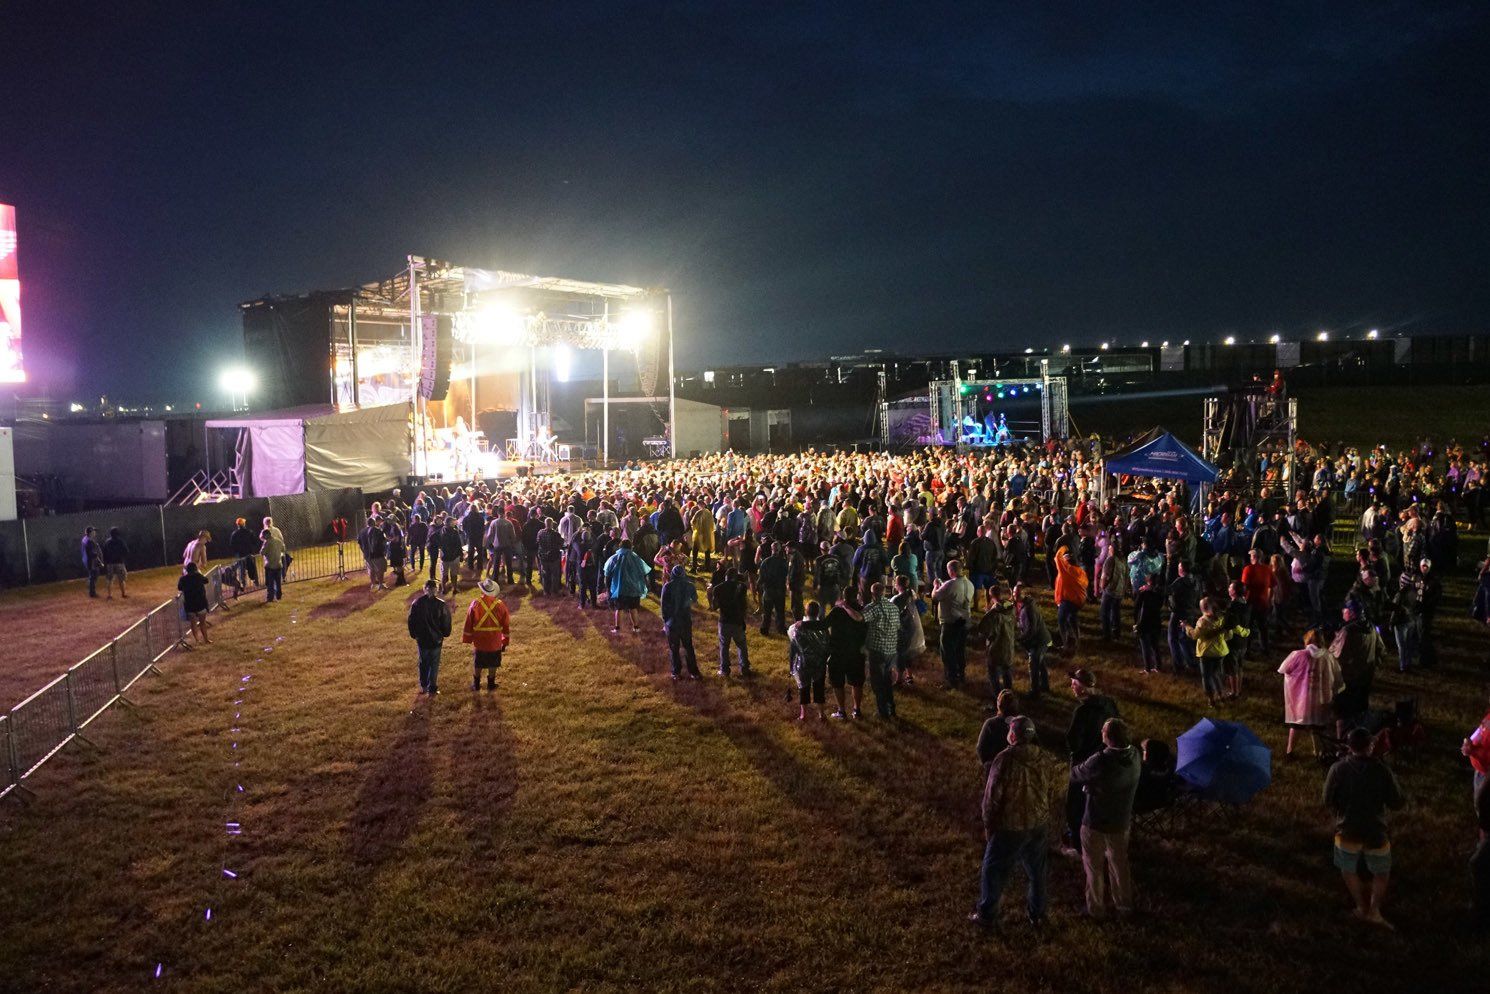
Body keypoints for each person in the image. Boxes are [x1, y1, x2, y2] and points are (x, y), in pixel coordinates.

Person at [970, 716, 1061, 931]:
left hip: (1010, 826)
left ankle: (987, 915)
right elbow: (1052, 789)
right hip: (1038, 823)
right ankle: (1038, 914)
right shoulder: (1044, 757)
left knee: (993, 870)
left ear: (1012, 735)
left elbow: (992, 798)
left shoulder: (1004, 759)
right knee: (1037, 872)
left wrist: (989, 825)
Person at [1323, 727, 1405, 928]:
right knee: (1381, 871)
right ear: (1370, 746)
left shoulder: (1337, 769)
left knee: (1347, 868)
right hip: (1375, 831)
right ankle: (1374, 910)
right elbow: (1397, 802)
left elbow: (1327, 799)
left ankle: (1361, 906)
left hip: (1346, 829)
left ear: (1349, 746)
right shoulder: (1382, 771)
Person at [1071, 717, 1141, 918]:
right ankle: (1124, 905)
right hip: (1121, 821)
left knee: (1094, 867)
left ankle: (1096, 908)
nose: (1101, 732)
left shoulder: (1101, 760)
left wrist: (1089, 785)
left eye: (1103, 730)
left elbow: (1075, 774)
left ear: (1109, 737)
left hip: (1096, 821)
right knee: (1119, 863)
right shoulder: (1135, 755)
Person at [1063, 668, 1119, 855]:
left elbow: (1073, 741)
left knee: (1075, 804)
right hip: (1106, 760)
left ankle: (1077, 844)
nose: (1071, 686)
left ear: (1083, 688)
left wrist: (1076, 750)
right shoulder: (1109, 703)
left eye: (1074, 684)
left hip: (1084, 763)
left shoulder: (1083, 711)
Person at [1278, 629, 1342, 757]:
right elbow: (1337, 677)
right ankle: (1318, 753)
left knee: (1296, 725)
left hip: (1301, 699)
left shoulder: (1297, 655)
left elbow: (1284, 669)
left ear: (1307, 640)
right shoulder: (1328, 657)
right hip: (1320, 698)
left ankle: (1290, 751)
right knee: (1317, 726)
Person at [931, 559, 974, 690]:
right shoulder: (969, 583)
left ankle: (951, 678)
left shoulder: (950, 584)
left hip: (951, 622)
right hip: (965, 621)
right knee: (960, 649)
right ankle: (961, 674)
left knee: (947, 651)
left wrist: (936, 586)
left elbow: (935, 597)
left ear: (951, 570)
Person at [462, 577, 510, 691]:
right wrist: (505, 641)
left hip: (480, 641)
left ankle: (476, 684)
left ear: (482, 590)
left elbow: (469, 621)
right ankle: (491, 684)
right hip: (495, 641)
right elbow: (506, 625)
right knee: (493, 663)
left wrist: (468, 638)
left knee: (478, 663)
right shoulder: (500, 605)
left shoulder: (475, 603)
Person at [861, 581, 900, 719]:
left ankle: (882, 711)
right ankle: (891, 707)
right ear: (884, 592)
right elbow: (897, 626)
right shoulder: (894, 607)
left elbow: (861, 618)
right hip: (891, 649)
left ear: (872, 594)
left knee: (877, 682)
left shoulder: (873, 607)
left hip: (877, 650)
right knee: (887, 681)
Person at [826, 591, 867, 719]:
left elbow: (823, 624)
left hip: (838, 652)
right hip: (856, 652)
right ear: (857, 596)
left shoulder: (837, 611)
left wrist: (803, 624)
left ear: (843, 596)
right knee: (857, 683)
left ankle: (841, 711)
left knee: (837, 683)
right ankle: (857, 710)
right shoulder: (862, 610)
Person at [407, 579, 452, 695]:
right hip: (436, 640)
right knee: (434, 664)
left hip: (422, 639)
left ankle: (423, 686)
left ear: (424, 589)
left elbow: (411, 620)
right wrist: (445, 633)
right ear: (436, 590)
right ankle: (432, 687)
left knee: (424, 663)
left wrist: (414, 634)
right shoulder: (441, 605)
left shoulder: (417, 603)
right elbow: (446, 622)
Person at [788, 601, 832, 721]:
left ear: (806, 611)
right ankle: (821, 714)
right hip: (819, 663)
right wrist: (824, 660)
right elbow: (828, 646)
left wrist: (791, 665)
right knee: (819, 687)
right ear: (818, 612)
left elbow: (793, 649)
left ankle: (803, 715)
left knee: (803, 687)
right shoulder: (823, 628)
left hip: (803, 663)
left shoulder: (797, 628)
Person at [1184, 597, 1230, 708]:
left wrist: (1186, 626)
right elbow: (1228, 635)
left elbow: (1195, 635)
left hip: (1207, 653)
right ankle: (1221, 695)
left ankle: (1211, 699)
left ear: (1202, 608)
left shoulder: (1203, 621)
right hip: (1220, 651)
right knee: (1216, 674)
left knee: (1207, 676)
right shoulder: (1221, 618)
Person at [660, 564, 701, 680]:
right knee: (688, 646)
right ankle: (694, 672)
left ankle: (676, 672)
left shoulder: (667, 586)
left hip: (672, 622)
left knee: (674, 648)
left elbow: (663, 606)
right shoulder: (690, 585)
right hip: (685, 620)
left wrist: (665, 620)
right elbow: (695, 600)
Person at [603, 538, 652, 635]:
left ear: (620, 546)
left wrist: (608, 588)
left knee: (619, 608)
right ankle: (636, 627)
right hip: (633, 588)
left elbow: (607, 574)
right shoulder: (636, 558)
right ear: (631, 547)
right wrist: (645, 584)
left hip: (619, 589)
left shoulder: (614, 558)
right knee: (633, 608)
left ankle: (617, 629)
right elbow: (644, 572)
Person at [710, 567, 752, 677]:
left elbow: (714, 607)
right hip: (737, 620)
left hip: (724, 621)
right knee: (741, 645)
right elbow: (744, 605)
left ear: (725, 576)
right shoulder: (742, 587)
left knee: (724, 646)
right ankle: (745, 668)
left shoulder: (718, 588)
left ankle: (724, 670)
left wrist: (710, 595)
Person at [1013, 583, 1053, 696]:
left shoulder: (1029, 609)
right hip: (1037, 640)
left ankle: (1035, 691)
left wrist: (1020, 639)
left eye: (1017, 593)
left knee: (1034, 665)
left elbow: (1032, 629)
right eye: (1014, 593)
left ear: (1024, 594)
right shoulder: (1021, 604)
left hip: (1039, 641)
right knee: (1040, 663)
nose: (1015, 595)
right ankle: (1045, 686)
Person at [977, 583, 1017, 695]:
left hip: (996, 647)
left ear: (991, 596)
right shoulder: (1010, 607)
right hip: (1008, 644)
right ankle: (1009, 694)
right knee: (1007, 670)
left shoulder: (993, 614)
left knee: (993, 672)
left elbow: (984, 630)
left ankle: (998, 696)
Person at [1053, 543, 1089, 654]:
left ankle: (1066, 645)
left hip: (1068, 600)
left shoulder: (1066, 570)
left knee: (1061, 620)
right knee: (1072, 619)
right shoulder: (1080, 571)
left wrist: (1064, 547)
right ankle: (1077, 641)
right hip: (1078, 600)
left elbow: (1057, 557)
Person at [976, 690, 1020, 765]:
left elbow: (981, 749)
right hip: (1017, 766)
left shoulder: (991, 724)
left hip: (995, 766)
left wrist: (989, 765)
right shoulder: (1022, 723)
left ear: (999, 705)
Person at [177, 561, 212, 645]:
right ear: (195, 569)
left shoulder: (183, 579)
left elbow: (179, 587)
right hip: (201, 603)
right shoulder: (199, 576)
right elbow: (206, 580)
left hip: (190, 604)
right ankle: (206, 639)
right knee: (202, 622)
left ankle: (197, 640)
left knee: (193, 623)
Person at [229, 517, 261, 591]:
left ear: (237, 525)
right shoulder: (249, 532)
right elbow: (254, 541)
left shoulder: (234, 534)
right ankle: (256, 582)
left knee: (242, 570)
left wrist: (237, 551)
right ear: (244, 524)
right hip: (249, 553)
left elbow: (232, 545)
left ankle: (243, 584)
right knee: (252, 568)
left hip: (240, 555)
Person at [359, 516, 388, 591]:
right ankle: (380, 584)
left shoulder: (362, 531)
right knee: (380, 569)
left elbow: (359, 543)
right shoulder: (378, 531)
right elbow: (383, 542)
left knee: (371, 569)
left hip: (367, 555)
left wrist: (364, 551)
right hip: (377, 554)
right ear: (374, 523)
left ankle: (373, 584)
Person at [261, 518, 286, 603]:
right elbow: (283, 549)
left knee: (270, 582)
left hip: (270, 565)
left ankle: (270, 597)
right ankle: (279, 595)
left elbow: (262, 552)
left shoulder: (267, 542)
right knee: (278, 582)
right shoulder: (278, 540)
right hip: (278, 564)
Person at [101, 527, 129, 600]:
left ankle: (109, 595)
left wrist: (105, 562)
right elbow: (126, 551)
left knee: (109, 579)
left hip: (110, 563)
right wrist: (123, 558)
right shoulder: (120, 541)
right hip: (119, 562)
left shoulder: (107, 542)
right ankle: (123, 594)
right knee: (121, 579)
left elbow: (104, 553)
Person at [81, 526, 104, 598]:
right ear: (90, 532)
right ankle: (92, 592)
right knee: (94, 575)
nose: (95, 532)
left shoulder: (85, 539)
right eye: (93, 531)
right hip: (91, 561)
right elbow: (93, 554)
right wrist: (100, 562)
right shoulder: (89, 541)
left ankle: (90, 588)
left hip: (86, 559)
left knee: (92, 575)